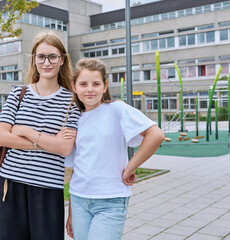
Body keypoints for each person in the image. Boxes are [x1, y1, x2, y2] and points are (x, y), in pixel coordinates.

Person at [64, 58, 165, 240]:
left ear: (105, 86)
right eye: (83, 84)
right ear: (74, 86)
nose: (90, 89)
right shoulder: (75, 119)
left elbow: (156, 135)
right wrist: (70, 211)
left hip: (110, 200)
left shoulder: (117, 109)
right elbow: (77, 167)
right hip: (79, 200)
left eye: (96, 84)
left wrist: (131, 167)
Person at [0, 32, 80, 240]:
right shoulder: (18, 94)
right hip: (11, 183)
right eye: (41, 56)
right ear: (34, 59)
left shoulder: (72, 101)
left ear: (62, 60)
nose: (46, 62)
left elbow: (64, 148)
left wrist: (26, 132)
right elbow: (3, 138)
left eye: (52, 56)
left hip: (48, 187)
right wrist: (48, 142)